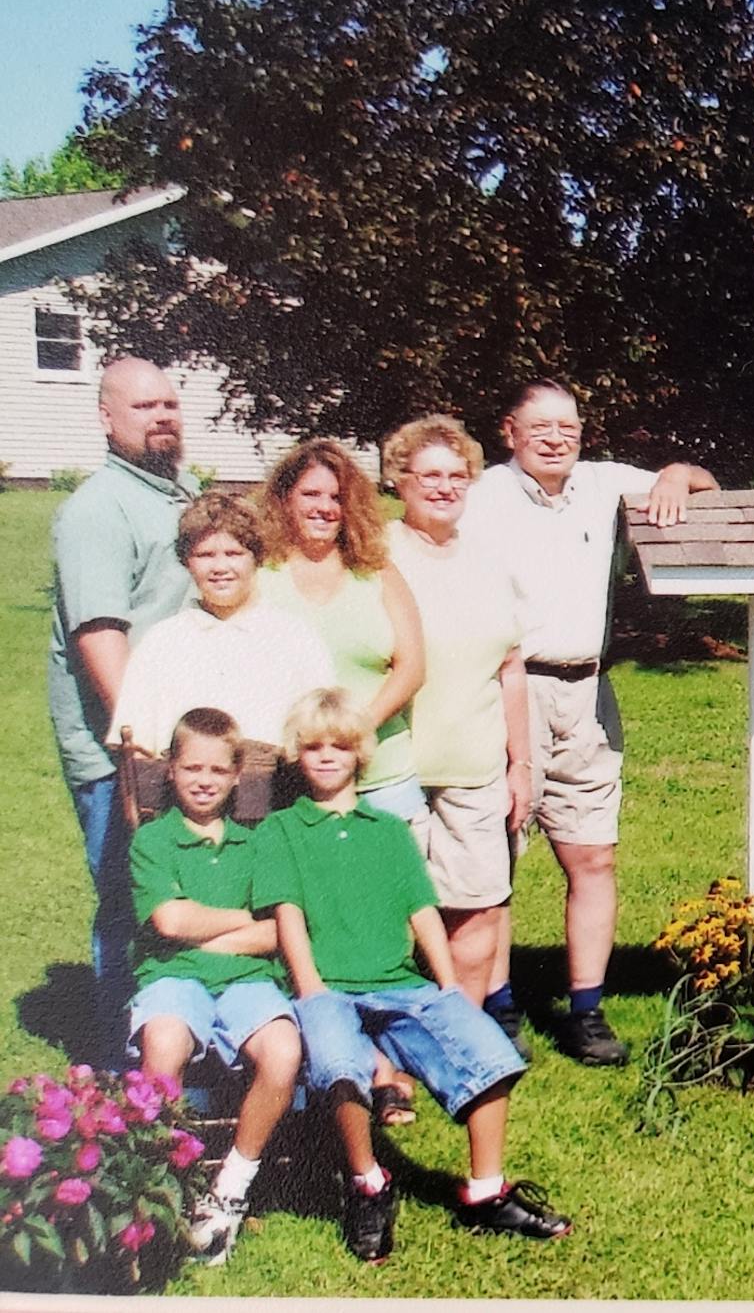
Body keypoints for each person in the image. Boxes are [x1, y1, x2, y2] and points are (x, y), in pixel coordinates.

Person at [252, 689, 570, 1262]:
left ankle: (485, 1192)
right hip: (328, 987)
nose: (327, 756)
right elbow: (288, 916)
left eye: (341, 746)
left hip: (400, 982)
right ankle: (369, 1185)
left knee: (490, 1053)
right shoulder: (282, 830)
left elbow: (422, 911)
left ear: (361, 754)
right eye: (314, 746)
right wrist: (312, 990)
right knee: (338, 1065)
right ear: (298, 755)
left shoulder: (388, 829)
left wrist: (449, 985)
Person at [461, 380, 717, 1066]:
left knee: (594, 855)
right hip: (506, 691)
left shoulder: (603, 483)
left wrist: (671, 475)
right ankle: (496, 1005)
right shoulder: (481, 496)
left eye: (568, 426)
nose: (555, 437)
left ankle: (586, 1010)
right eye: (540, 426)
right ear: (509, 431)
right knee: (498, 860)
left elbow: (703, 482)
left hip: (588, 692)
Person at [48, 357, 198, 1054]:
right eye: (143, 407)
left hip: (187, 745)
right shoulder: (96, 510)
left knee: (182, 895)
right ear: (106, 419)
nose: (161, 416)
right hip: (123, 751)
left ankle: (180, 1051)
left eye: (169, 403)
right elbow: (100, 636)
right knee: (127, 903)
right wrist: (148, 743)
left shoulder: (180, 493)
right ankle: (122, 1072)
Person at [126, 707, 302, 1267]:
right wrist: (237, 920)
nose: (204, 780)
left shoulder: (259, 844)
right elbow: (168, 924)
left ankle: (229, 1188)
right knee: (165, 1044)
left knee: (283, 1049)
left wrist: (206, 929)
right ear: (171, 771)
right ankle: (167, 1178)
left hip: (248, 977)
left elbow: (279, 929)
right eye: (191, 767)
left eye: (217, 770)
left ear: (236, 777)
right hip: (172, 976)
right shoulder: (153, 841)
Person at [382, 416, 529, 1024]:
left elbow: (511, 668)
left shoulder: (491, 562)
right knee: (391, 911)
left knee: (479, 907)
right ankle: (388, 1040)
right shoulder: (377, 554)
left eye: (457, 476)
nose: (444, 487)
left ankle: (459, 1034)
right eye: (429, 475)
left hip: (476, 764)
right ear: (400, 480)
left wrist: (520, 765)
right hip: (394, 766)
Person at [255, 438, 427, 820]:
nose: (325, 508)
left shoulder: (376, 571)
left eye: (336, 498)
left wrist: (353, 731)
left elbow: (412, 666)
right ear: (285, 500)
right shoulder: (260, 575)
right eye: (311, 494)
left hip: (381, 779)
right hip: (286, 782)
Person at [107, 493, 335, 755]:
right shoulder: (162, 642)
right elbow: (136, 749)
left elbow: (324, 737)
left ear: (257, 557)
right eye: (205, 555)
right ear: (186, 561)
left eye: (234, 553)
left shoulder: (295, 637)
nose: (219, 567)